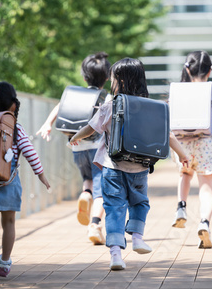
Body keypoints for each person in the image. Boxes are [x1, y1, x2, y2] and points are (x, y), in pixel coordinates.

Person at [69, 58, 189, 270]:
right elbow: (167, 136)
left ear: (119, 81)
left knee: (114, 208)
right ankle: (137, 237)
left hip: (112, 167)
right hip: (140, 168)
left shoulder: (111, 105)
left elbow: (91, 127)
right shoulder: (153, 108)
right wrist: (183, 154)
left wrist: (75, 137)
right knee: (140, 203)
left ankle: (116, 254)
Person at [0, 81, 51, 282]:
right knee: (9, 223)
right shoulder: (15, 128)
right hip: (9, 181)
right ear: (13, 106)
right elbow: (29, 151)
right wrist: (40, 174)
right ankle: (4, 262)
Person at [36, 52, 111, 245]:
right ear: (107, 77)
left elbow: (60, 106)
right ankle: (95, 225)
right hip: (98, 150)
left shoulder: (76, 94)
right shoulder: (106, 97)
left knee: (87, 179)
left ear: (84, 77)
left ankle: (85, 195)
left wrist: (47, 124)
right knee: (103, 190)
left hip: (77, 149)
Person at [170, 50, 212, 249]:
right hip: (206, 143)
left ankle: (181, 207)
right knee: (206, 188)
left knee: (185, 174)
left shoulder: (178, 91)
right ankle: (204, 223)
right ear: (210, 71)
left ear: (187, 70)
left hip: (181, 143)